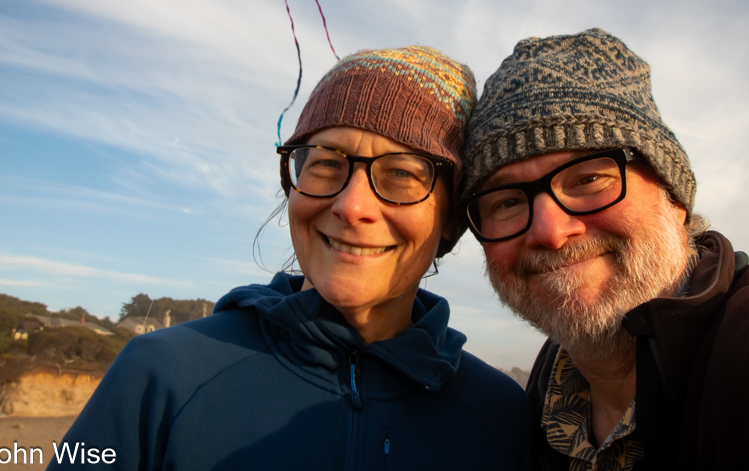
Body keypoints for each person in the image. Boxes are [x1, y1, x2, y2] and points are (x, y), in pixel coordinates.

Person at [48, 46, 535, 469]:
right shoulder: (158, 375)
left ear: (451, 222)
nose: (351, 206)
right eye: (326, 163)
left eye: (402, 174)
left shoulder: (501, 418)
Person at [459, 29, 749, 470]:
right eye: (507, 202)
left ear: (673, 197)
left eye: (589, 179)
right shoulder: (533, 401)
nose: (550, 232)